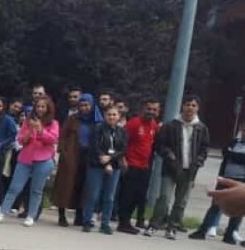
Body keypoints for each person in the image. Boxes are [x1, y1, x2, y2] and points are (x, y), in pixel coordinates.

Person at [149, 95, 209, 239]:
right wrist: (169, 155)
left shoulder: (201, 128)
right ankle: (154, 225)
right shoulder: (171, 125)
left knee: (181, 202)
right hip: (170, 168)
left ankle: (172, 227)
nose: (190, 108)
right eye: (187, 104)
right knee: (164, 197)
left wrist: (199, 160)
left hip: (189, 170)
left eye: (193, 105)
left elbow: (204, 148)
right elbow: (160, 145)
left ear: (197, 108)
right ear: (182, 106)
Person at [190, 123, 245, 243]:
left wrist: (234, 155)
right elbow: (225, 153)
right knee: (216, 205)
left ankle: (230, 234)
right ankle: (202, 230)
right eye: (244, 130)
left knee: (238, 208)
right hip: (226, 179)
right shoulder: (233, 142)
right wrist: (241, 156)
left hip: (243, 182)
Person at [0, 98, 59, 226]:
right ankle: (2, 213)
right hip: (25, 158)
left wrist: (40, 129)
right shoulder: (28, 121)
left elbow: (52, 140)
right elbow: (20, 139)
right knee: (14, 187)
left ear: (48, 109)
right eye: (38, 106)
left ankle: (31, 216)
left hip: (44, 159)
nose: (40, 109)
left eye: (43, 107)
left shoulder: (53, 123)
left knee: (36, 190)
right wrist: (29, 132)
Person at [79, 106, 128, 234]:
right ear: (105, 116)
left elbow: (122, 149)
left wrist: (110, 159)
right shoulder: (97, 129)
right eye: (109, 114)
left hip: (114, 167)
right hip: (96, 165)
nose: (111, 117)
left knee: (109, 196)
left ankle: (105, 223)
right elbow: (95, 146)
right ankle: (87, 220)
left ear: (119, 117)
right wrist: (104, 161)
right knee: (93, 195)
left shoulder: (121, 132)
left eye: (114, 115)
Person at [53, 94, 99, 227]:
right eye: (82, 105)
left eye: (87, 105)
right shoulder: (72, 119)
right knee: (65, 185)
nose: (84, 108)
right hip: (71, 155)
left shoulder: (95, 121)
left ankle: (79, 216)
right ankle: (62, 215)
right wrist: (63, 152)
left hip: (88, 157)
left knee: (83, 186)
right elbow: (63, 136)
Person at [116, 99, 161, 233]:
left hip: (145, 166)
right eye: (149, 109)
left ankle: (128, 220)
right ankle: (123, 222)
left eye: (154, 110)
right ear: (143, 109)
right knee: (127, 195)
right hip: (131, 164)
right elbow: (121, 141)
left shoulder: (154, 125)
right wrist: (122, 159)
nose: (151, 112)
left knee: (139, 196)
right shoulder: (134, 123)